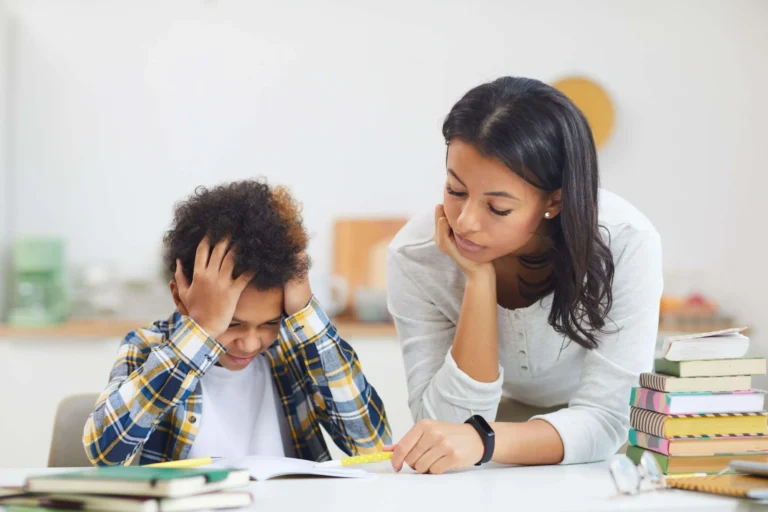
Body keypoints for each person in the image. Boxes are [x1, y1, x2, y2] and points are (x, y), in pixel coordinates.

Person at [385, 76, 662, 474]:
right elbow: (446, 426)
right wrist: (479, 282)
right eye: (455, 189)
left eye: (497, 208)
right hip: (489, 452)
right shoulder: (417, 256)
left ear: (554, 201)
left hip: (595, 455)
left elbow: (606, 418)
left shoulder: (626, 242)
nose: (464, 223)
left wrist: (486, 440)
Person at [83, 179, 391, 466]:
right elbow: (106, 452)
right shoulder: (147, 348)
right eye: (231, 324)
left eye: (270, 323)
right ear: (180, 296)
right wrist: (200, 332)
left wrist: (304, 312)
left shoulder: (294, 353)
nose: (250, 343)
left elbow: (372, 445)